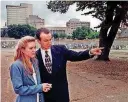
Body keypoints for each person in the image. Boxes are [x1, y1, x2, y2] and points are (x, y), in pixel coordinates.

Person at [36, 28, 103, 102]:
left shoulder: (61, 50)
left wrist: (90, 52)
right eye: (46, 40)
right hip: (44, 97)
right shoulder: (34, 56)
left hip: (61, 95)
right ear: (38, 41)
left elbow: (76, 55)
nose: (49, 43)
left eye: (50, 39)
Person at [10, 36, 52, 102]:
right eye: (31, 48)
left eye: (35, 47)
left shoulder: (35, 62)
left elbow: (37, 83)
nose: (34, 50)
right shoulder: (16, 66)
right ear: (22, 50)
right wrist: (40, 87)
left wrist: (44, 87)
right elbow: (18, 89)